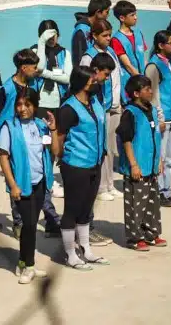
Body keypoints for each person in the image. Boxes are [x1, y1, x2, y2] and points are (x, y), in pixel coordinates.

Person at [54, 67, 110, 270]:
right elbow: (60, 137)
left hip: (95, 162)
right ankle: (70, 253)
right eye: (92, 81)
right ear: (81, 83)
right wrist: (62, 158)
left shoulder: (95, 102)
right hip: (76, 164)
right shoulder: (69, 108)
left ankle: (86, 248)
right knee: (72, 209)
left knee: (86, 208)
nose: (96, 83)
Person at [0, 87, 54, 284]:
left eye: (27, 105)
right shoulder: (9, 127)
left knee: (31, 224)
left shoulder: (40, 125)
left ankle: (24, 262)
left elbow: (53, 150)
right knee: (29, 224)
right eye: (19, 105)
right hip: (21, 185)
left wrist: (53, 130)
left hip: (39, 181)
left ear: (35, 106)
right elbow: (3, 158)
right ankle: (28, 266)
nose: (22, 109)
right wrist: (12, 185)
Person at [116, 75, 167, 251]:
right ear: (136, 93)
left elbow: (156, 138)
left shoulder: (151, 109)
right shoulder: (130, 113)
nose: (151, 92)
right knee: (135, 204)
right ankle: (135, 238)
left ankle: (151, 233)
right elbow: (126, 139)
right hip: (137, 167)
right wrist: (133, 164)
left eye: (150, 88)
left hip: (151, 165)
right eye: (147, 89)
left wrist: (159, 160)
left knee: (152, 202)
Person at [80, 21, 124, 203]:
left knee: (111, 149)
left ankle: (110, 184)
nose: (108, 39)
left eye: (109, 35)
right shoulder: (88, 57)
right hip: (100, 108)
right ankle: (101, 186)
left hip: (114, 107)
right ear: (94, 36)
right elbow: (87, 84)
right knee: (101, 148)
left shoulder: (111, 52)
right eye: (104, 35)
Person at [147, 31, 171, 207]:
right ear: (161, 45)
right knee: (160, 158)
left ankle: (167, 191)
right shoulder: (154, 66)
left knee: (170, 158)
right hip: (162, 119)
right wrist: (159, 117)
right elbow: (152, 93)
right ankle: (158, 191)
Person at [33, 21, 72, 121]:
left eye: (53, 35)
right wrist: (41, 42)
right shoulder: (35, 51)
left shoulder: (64, 53)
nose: (51, 39)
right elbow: (39, 67)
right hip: (40, 101)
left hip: (59, 101)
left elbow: (67, 78)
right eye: (47, 36)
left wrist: (44, 73)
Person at [0, 49, 40, 131]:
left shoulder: (34, 84)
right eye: (34, 67)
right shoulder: (6, 89)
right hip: (11, 134)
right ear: (24, 68)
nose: (37, 70)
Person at [112, 1, 147, 101]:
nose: (135, 17)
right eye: (132, 15)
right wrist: (142, 82)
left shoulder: (138, 33)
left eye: (135, 14)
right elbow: (128, 65)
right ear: (122, 18)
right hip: (130, 82)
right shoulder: (116, 39)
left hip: (142, 80)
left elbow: (143, 57)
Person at [71, 0, 112, 66]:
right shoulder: (81, 31)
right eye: (107, 12)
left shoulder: (97, 27)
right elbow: (79, 61)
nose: (108, 15)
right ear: (98, 13)